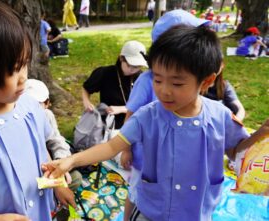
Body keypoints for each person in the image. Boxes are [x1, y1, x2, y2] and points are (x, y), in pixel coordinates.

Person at [42, 25, 269, 221]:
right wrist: (70, 160)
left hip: (197, 213)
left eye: (177, 83)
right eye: (158, 79)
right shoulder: (148, 116)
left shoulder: (220, 116)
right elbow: (111, 147)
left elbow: (237, 151)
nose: (164, 90)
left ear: (206, 81)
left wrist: (260, 134)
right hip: (153, 211)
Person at [120, 9, 211, 221]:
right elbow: (131, 116)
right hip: (145, 159)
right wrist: (126, 149)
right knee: (136, 193)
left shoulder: (191, 79)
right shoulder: (146, 81)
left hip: (174, 159)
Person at [0, 1, 55, 220]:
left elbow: (42, 150)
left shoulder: (30, 106)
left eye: (25, 64)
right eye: (12, 70)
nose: (23, 78)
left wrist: (57, 183)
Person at [25, 79, 82, 204]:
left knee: (75, 178)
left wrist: (61, 165)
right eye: (28, 103)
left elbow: (56, 140)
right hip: (33, 174)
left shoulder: (47, 115)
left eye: (37, 104)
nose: (33, 109)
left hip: (49, 167)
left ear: (47, 103)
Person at [82, 40, 148, 130]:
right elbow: (86, 88)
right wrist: (87, 102)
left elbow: (146, 104)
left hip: (135, 119)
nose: (132, 70)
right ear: (121, 58)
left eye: (137, 67)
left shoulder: (142, 78)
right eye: (129, 65)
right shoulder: (105, 73)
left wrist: (122, 109)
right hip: (109, 121)